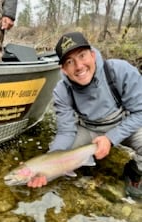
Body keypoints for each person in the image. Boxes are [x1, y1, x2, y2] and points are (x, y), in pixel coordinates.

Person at [27, 31, 142, 199]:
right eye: (70, 62)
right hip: (89, 129)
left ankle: (134, 172)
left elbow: (140, 112)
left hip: (123, 123)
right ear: (64, 69)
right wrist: (50, 163)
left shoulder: (121, 71)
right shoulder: (61, 91)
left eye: (82, 56)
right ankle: (85, 167)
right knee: (57, 151)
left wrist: (110, 139)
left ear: (93, 54)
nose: (79, 66)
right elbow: (66, 132)